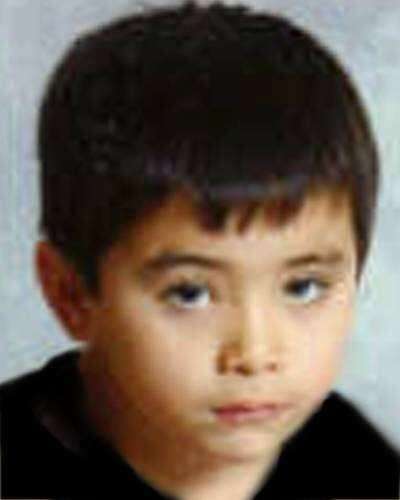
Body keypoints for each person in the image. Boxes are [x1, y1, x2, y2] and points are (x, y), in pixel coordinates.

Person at [1, 1, 399, 499]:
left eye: (303, 287)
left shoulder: (358, 466)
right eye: (190, 294)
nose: (254, 354)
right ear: (71, 295)